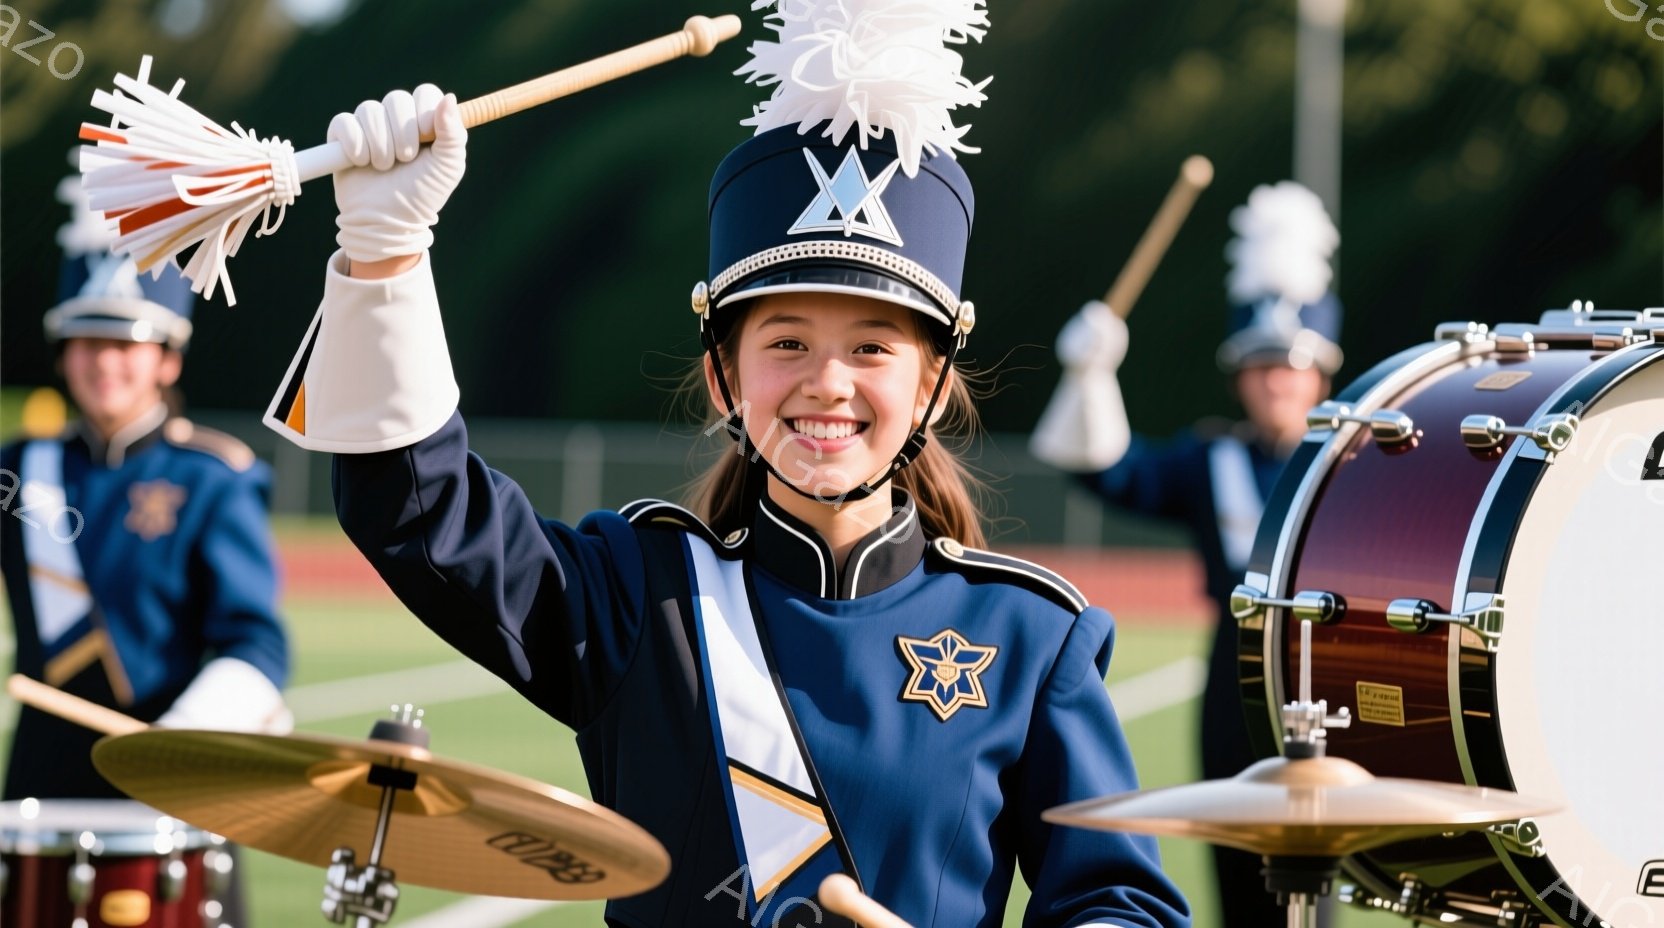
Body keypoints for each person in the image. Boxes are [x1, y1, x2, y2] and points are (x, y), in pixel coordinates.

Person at [263, 4, 1189, 926]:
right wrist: (385, 255)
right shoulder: (638, 595)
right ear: (722, 376)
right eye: (785, 342)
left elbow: (1120, 906)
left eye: (873, 348)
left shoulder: (1029, 636)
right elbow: (421, 516)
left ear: (934, 385)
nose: (827, 383)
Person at [1030, 181, 1341, 928]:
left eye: (1292, 366)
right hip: (1231, 679)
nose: (1277, 381)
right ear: (1239, 374)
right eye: (1262, 365)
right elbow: (1104, 467)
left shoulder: (1352, 463)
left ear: (1321, 373)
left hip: (1325, 677)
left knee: (1321, 877)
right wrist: (1090, 375)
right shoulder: (1210, 461)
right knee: (1238, 879)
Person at [0, 174, 293, 918]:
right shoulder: (20, 469)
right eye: (88, 341)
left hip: (170, 794)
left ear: (168, 358)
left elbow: (256, 645)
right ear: (64, 353)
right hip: (39, 797)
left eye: (128, 344)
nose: (105, 362)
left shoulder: (210, 479)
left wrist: (185, 738)